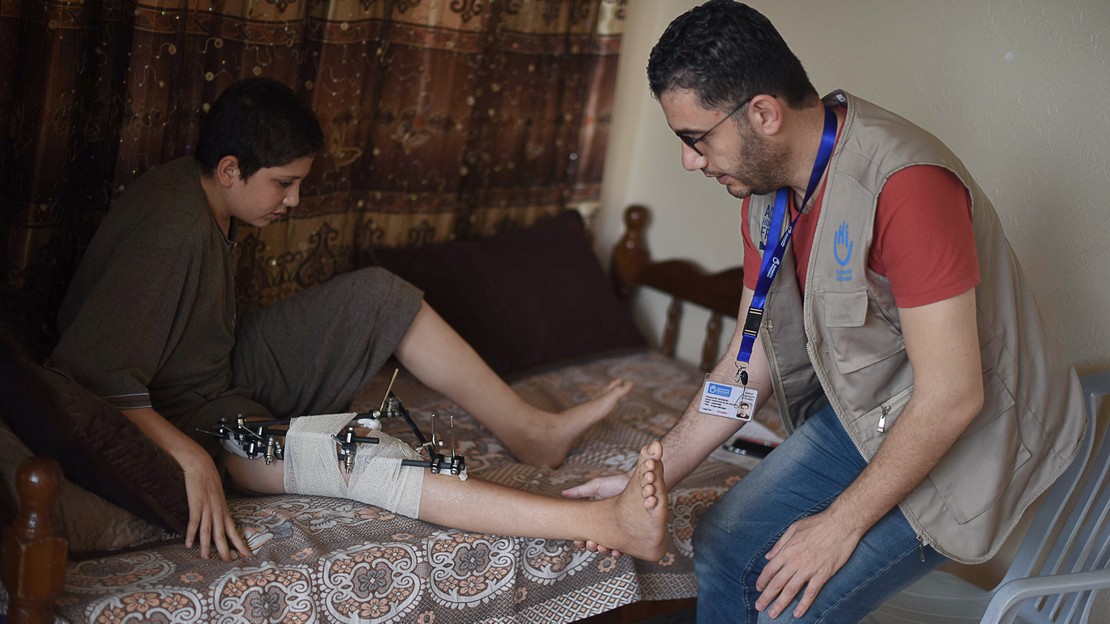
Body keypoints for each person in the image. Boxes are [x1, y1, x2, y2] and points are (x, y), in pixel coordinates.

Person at [563, 2, 1086, 621]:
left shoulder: (905, 187)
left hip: (973, 432)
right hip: (877, 412)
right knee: (723, 544)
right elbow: (747, 361)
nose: (691, 161)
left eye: (696, 139)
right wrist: (651, 478)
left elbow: (951, 397)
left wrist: (836, 526)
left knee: (795, 603)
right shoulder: (765, 196)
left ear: (762, 112)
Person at [48, 76, 666, 563]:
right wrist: (190, 456)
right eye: (283, 184)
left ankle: (529, 429)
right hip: (187, 411)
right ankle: (600, 522)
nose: (294, 201)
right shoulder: (169, 232)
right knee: (354, 453)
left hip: (219, 361)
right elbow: (92, 373)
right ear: (232, 168)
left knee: (376, 294)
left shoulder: (200, 189)